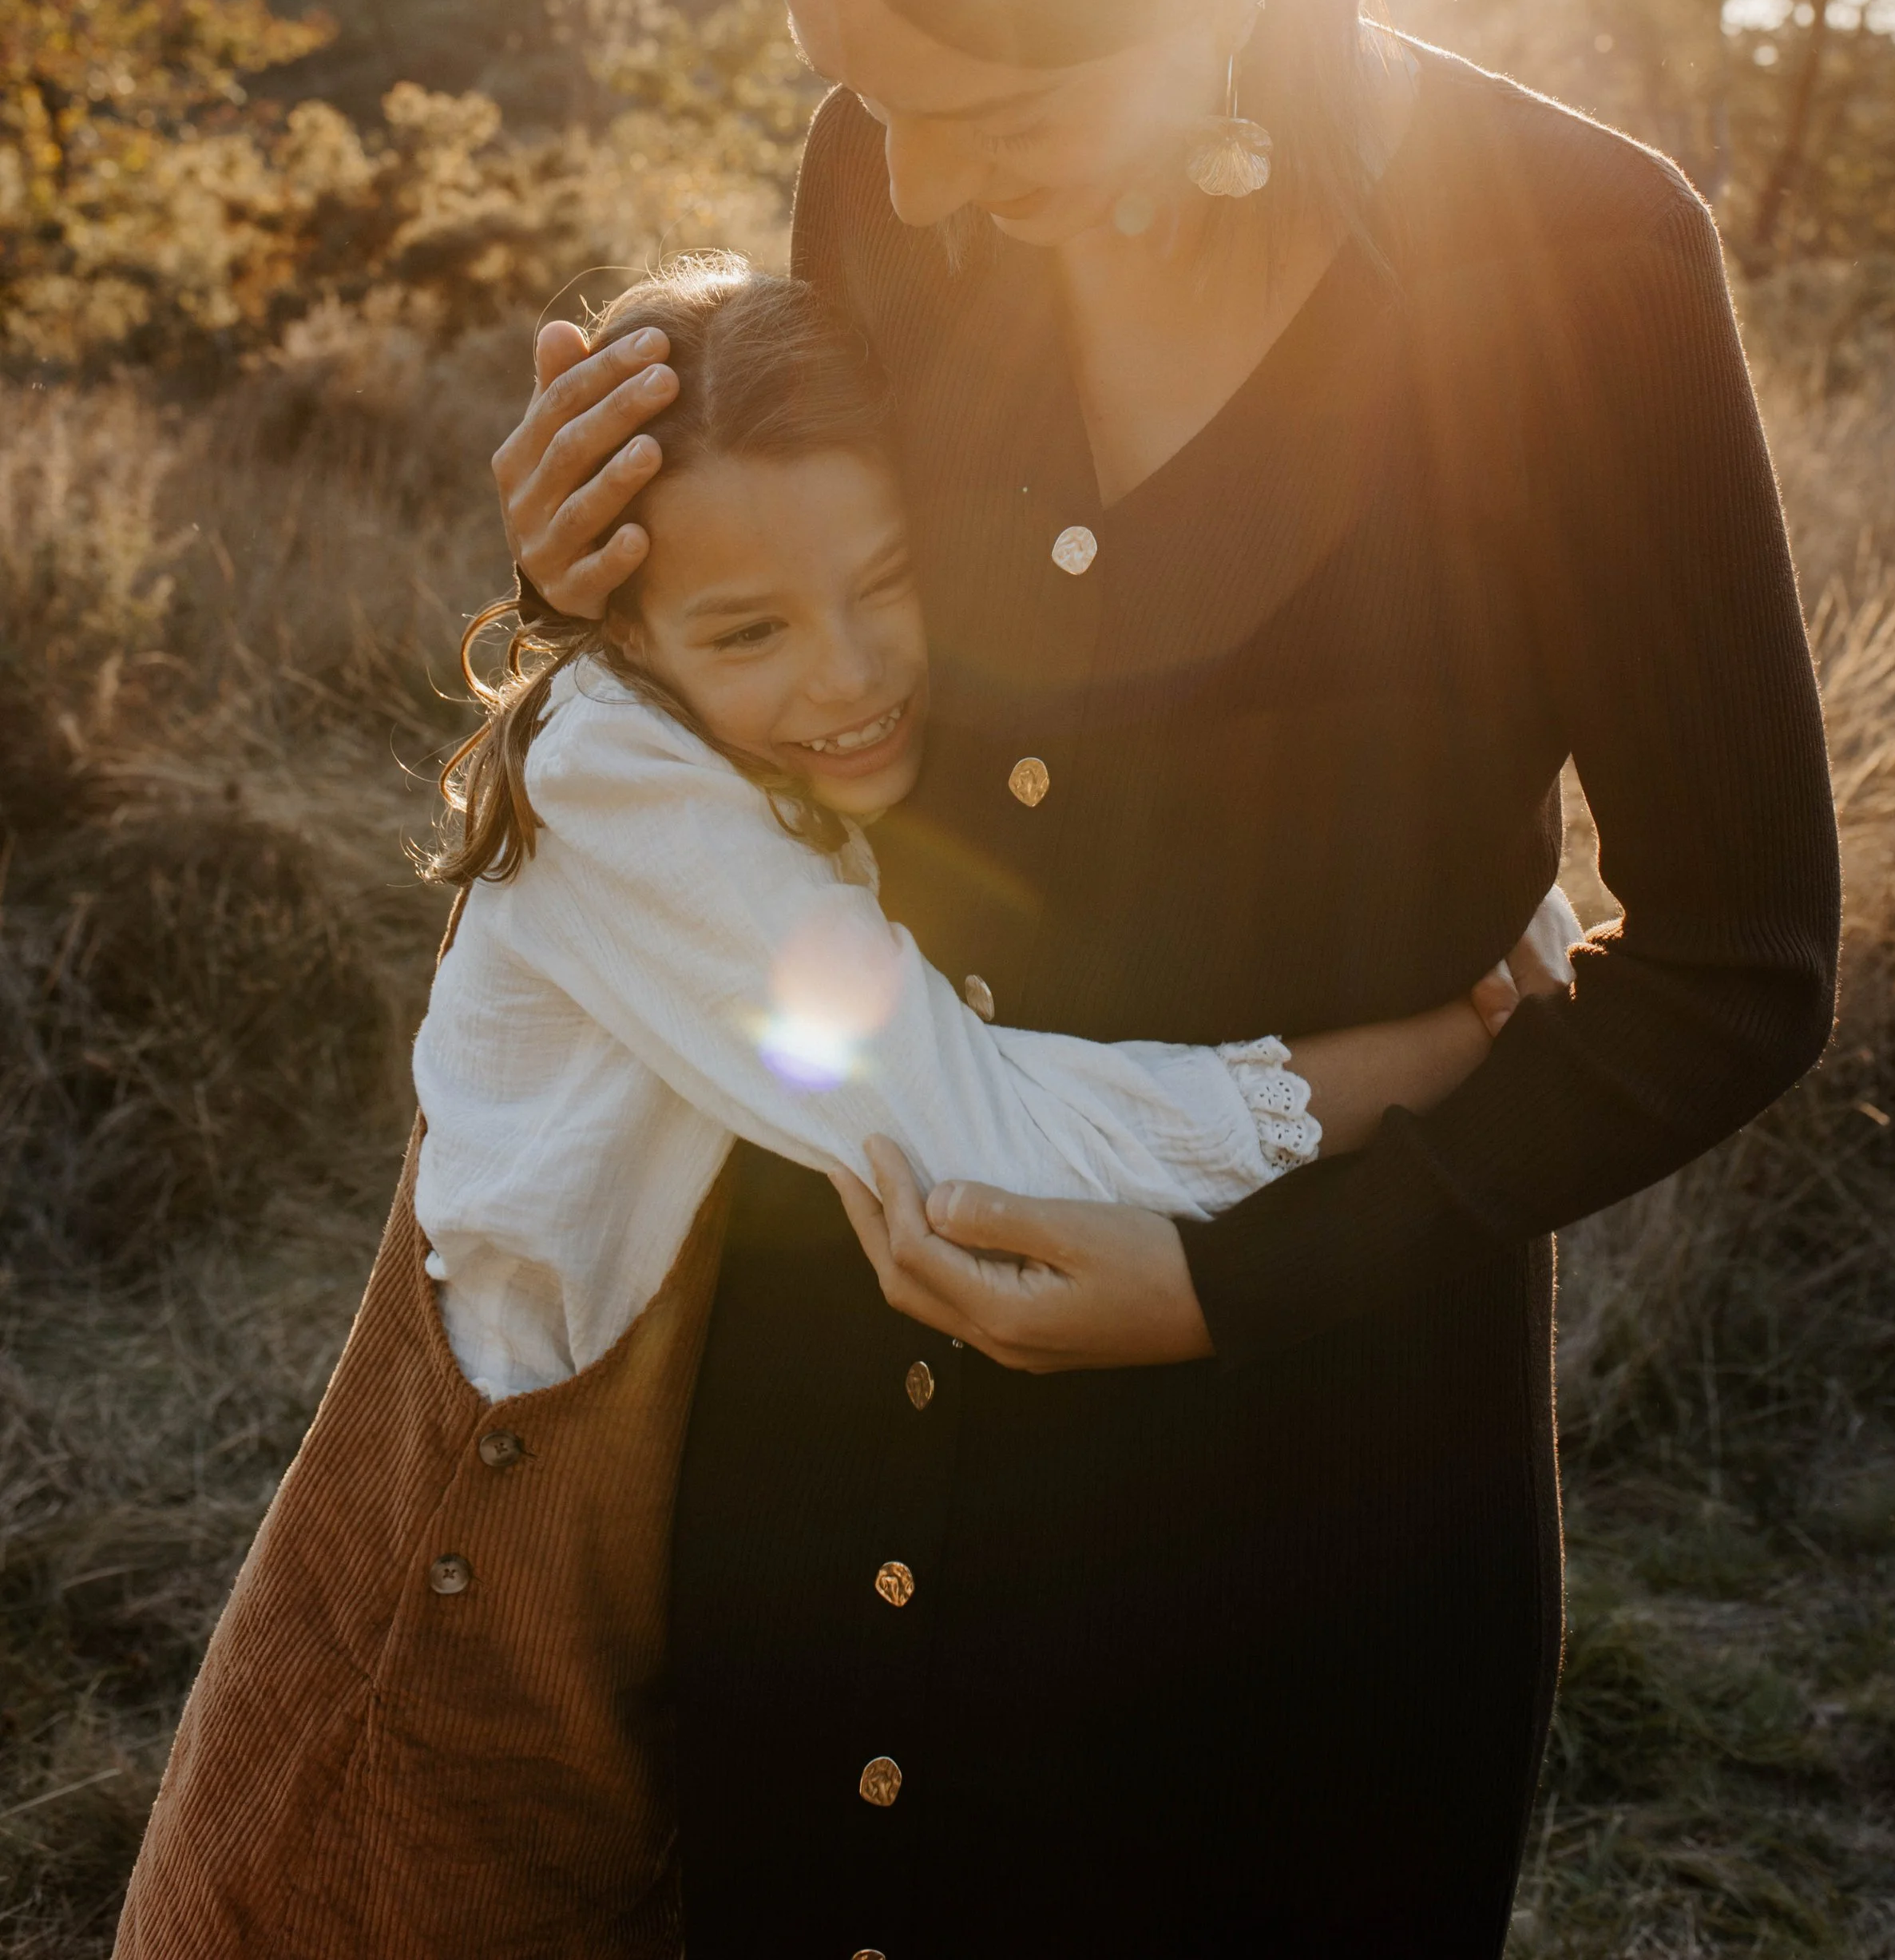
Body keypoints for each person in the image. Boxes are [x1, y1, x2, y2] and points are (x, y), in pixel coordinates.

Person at [496, 0, 1841, 1958]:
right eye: (858, 99)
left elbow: (1739, 964)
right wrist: (582, 542)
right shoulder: (887, 205)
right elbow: (791, 690)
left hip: (1304, 1509)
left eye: (985, 103)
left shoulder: (1581, 273)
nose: (897, 188)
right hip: (824, 1443)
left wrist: (1250, 1277)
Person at [116, 250, 1564, 1960]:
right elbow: (974, 1142)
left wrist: (1480, 887)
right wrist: (1431, 1058)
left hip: (624, 1604)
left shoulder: (773, 752)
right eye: (750, 631)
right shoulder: (615, 786)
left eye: (890, 584)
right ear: (614, 618)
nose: (852, 675)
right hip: (456, 1619)